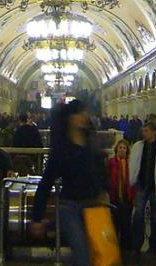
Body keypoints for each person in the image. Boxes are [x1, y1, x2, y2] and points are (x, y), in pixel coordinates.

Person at [30, 100, 107, 266]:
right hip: (69, 207)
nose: (84, 116)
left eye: (85, 112)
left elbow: (101, 171)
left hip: (93, 205)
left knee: (97, 254)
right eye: (80, 113)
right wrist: (37, 216)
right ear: (70, 118)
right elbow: (47, 181)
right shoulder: (62, 148)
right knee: (82, 255)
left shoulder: (92, 143)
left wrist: (104, 192)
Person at [129, 122, 156, 254]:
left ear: (154, 132)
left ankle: (154, 246)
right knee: (138, 215)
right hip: (142, 185)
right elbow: (133, 163)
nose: (144, 133)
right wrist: (132, 180)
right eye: (143, 131)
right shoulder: (137, 146)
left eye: (146, 131)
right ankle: (137, 243)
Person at [107, 139, 136, 251]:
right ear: (116, 149)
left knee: (126, 222)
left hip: (127, 195)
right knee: (115, 222)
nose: (122, 150)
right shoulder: (111, 162)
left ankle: (126, 246)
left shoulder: (130, 163)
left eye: (124, 148)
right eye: (120, 147)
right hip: (114, 195)